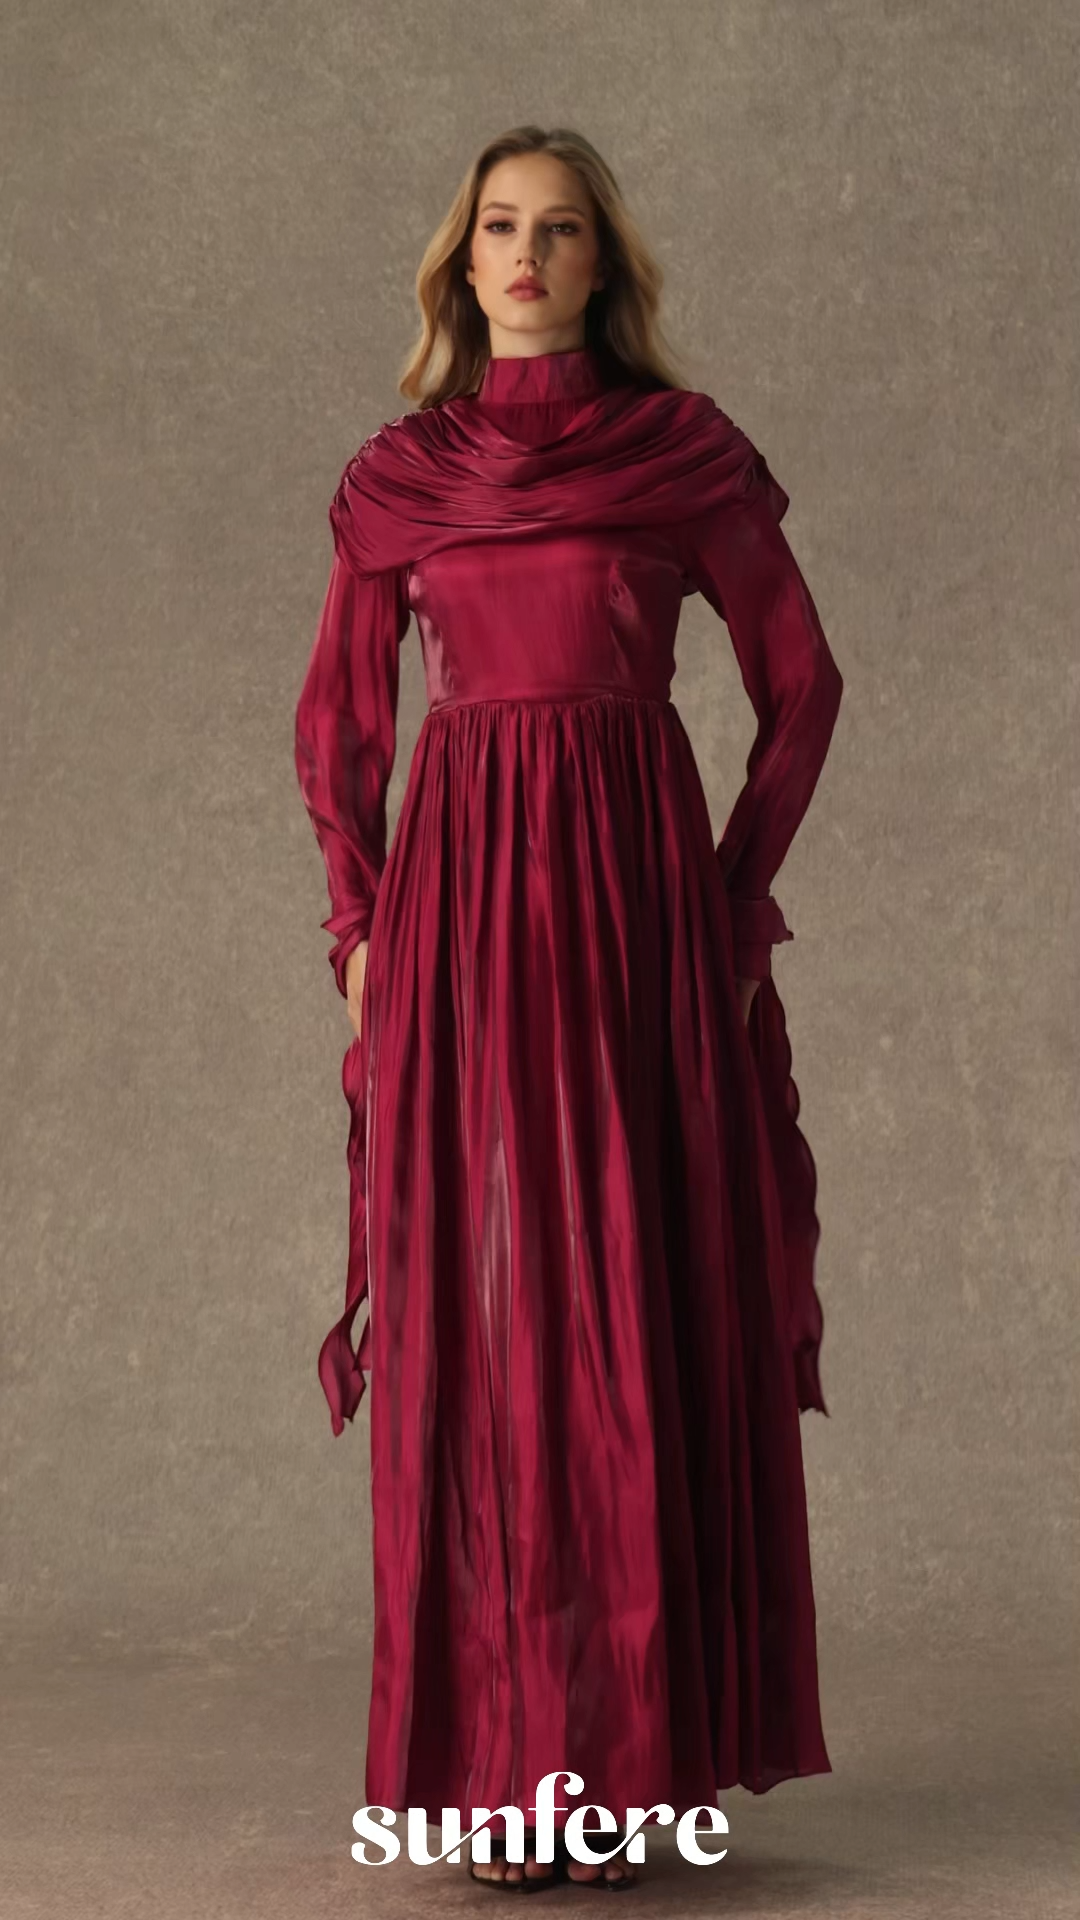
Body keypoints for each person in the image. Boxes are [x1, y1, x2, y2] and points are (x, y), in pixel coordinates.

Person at [294, 124, 844, 1895]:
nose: (526, 255)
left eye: (562, 229)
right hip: (457, 915)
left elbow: (803, 684)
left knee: (630, 1300)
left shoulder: (681, 455)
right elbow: (338, 724)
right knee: (487, 1322)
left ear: (605, 264)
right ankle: (501, 1768)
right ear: (461, 263)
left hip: (634, 912)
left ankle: (620, 1766)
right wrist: (358, 922)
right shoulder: (401, 478)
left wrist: (736, 899)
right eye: (499, 228)